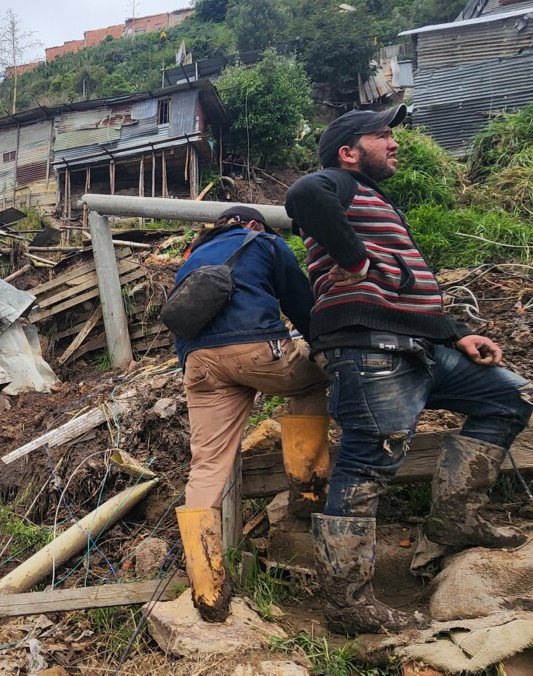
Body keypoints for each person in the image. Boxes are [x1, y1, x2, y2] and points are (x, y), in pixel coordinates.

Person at [285, 104, 533, 636]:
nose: (394, 142)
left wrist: (454, 334)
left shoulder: (374, 200)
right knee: (369, 459)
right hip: (370, 348)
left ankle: (456, 519)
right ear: (349, 152)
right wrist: (355, 263)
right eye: (382, 136)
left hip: (419, 345)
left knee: (507, 397)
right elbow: (302, 195)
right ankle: (348, 603)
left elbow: (409, 293)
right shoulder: (335, 183)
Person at [172, 205, 330, 622]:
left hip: (199, 364)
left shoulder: (191, 259)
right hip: (260, 351)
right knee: (312, 382)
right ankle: (309, 490)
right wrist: (322, 344)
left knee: (206, 466)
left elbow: (180, 323)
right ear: (254, 224)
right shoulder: (265, 242)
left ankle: (208, 593)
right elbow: (301, 304)